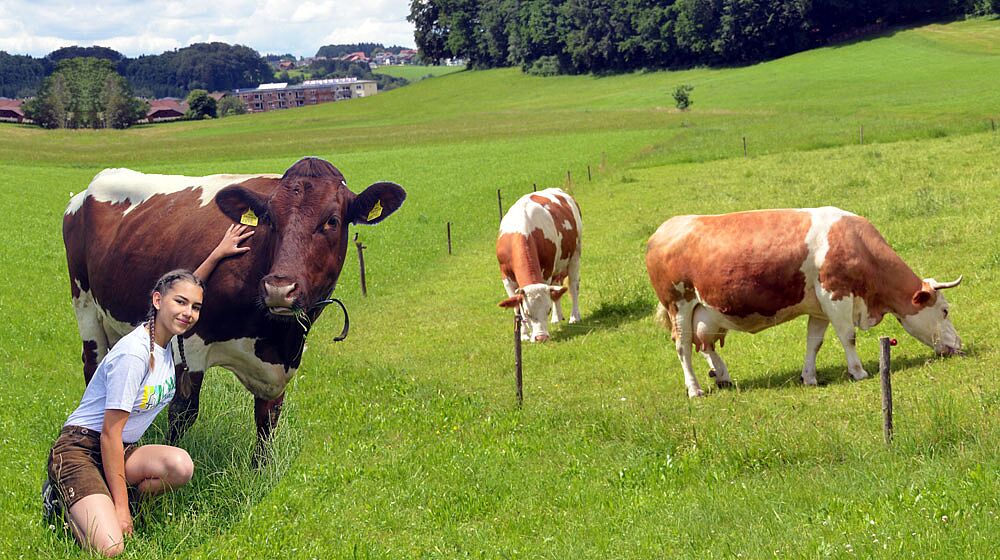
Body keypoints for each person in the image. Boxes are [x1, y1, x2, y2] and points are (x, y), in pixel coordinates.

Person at [43, 224, 253, 557]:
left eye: (195, 307)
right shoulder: (134, 353)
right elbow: (109, 435)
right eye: (180, 303)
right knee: (111, 549)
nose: (188, 312)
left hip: (122, 450)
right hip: (81, 448)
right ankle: (61, 501)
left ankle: (105, 499)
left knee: (180, 466)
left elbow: (185, 288)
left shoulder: (165, 338)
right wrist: (123, 510)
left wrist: (217, 252)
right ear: (157, 301)